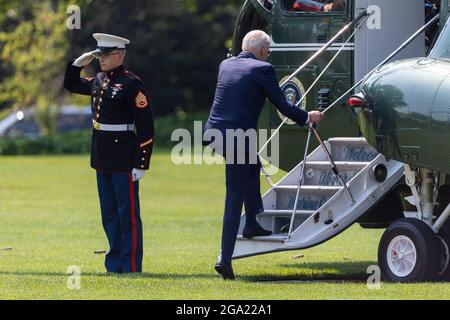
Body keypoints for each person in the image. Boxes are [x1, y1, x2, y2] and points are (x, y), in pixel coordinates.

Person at [204, 30, 324, 280]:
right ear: (262, 50)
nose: (268, 55)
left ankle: (252, 224)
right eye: (268, 50)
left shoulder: (225, 64)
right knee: (234, 196)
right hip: (236, 137)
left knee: (253, 166)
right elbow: (283, 106)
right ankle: (224, 259)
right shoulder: (263, 69)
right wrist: (307, 117)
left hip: (215, 133)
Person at [64, 33, 155, 273]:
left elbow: (145, 125)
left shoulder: (131, 83)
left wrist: (141, 163)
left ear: (119, 55)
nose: (100, 59)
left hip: (124, 155)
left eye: (104, 55)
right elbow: (71, 84)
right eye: (99, 54)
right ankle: (114, 263)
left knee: (128, 214)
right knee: (109, 214)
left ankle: (132, 264)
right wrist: (76, 65)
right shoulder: (99, 79)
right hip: (102, 154)